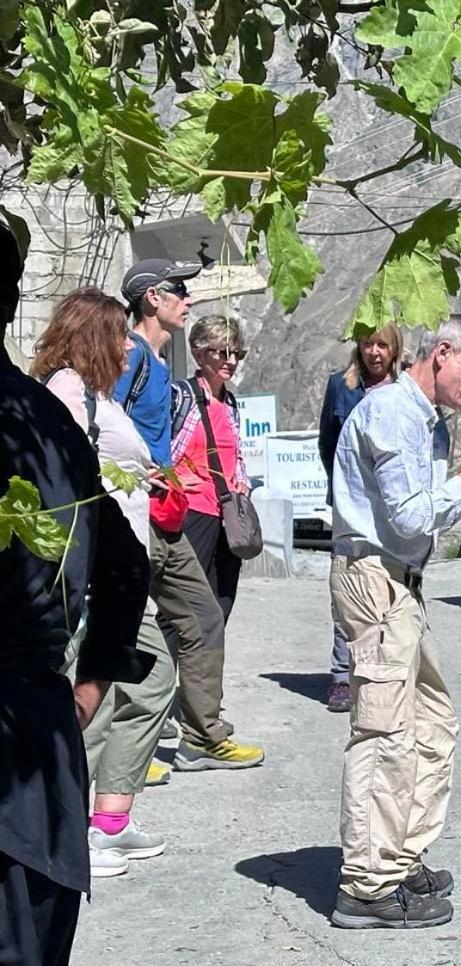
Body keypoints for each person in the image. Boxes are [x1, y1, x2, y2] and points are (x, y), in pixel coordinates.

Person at [329, 315, 461, 929]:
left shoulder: (423, 420)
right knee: (385, 734)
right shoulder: (392, 414)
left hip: (400, 588)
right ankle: (366, 887)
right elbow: (410, 520)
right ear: (443, 354)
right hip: (377, 584)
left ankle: (400, 856)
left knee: (431, 726)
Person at [0, 223, 152, 963]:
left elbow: (122, 565)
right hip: (37, 735)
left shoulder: (45, 419)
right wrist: (90, 679)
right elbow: (125, 566)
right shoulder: (51, 422)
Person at [30, 287, 176, 878]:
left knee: (132, 687)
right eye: (117, 336)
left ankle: (106, 820)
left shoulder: (95, 395)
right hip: (92, 573)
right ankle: (80, 828)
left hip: (118, 567)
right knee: (123, 683)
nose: (125, 348)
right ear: (95, 337)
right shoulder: (68, 394)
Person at [116, 259, 264, 772]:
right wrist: (142, 473)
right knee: (137, 625)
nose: (189, 298)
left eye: (235, 353)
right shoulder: (133, 358)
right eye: (179, 290)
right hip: (145, 513)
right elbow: (101, 424)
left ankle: (203, 734)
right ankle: (127, 747)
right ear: (152, 297)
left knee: (206, 617)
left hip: (178, 514)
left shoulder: (154, 364)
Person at [317, 324, 403, 713]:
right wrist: (346, 488)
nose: (374, 352)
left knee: (395, 587)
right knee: (349, 586)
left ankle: (389, 670)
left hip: (397, 507)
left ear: (394, 348)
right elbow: (327, 444)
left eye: (382, 344)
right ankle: (341, 676)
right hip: (352, 509)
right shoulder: (341, 386)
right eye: (368, 343)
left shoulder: (406, 389)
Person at [171, 315, 252, 624]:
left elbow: (237, 455)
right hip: (192, 512)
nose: (231, 361)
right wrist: (173, 477)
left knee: (221, 605)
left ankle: (207, 669)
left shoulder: (230, 403)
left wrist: (242, 483)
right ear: (199, 353)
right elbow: (159, 449)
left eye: (237, 353)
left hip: (228, 517)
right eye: (223, 352)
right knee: (184, 606)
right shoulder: (181, 397)